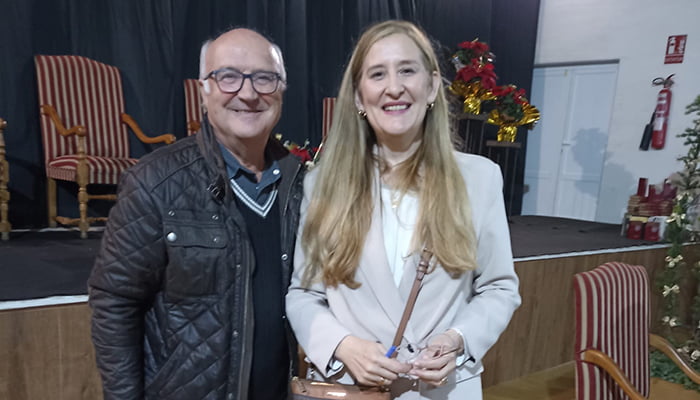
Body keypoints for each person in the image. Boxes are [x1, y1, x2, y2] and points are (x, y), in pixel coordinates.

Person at [286, 20, 521, 399]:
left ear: (432, 86)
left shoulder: (479, 179)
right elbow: (303, 294)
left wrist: (457, 339)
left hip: (443, 391)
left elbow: (500, 287)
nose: (394, 87)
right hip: (352, 388)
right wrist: (344, 345)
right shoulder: (323, 184)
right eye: (378, 74)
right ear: (359, 97)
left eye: (407, 70)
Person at [88, 28, 305, 400]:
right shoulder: (156, 182)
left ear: (282, 90)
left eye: (264, 78)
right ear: (204, 90)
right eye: (229, 77)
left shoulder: (300, 183)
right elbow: (114, 302)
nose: (248, 93)